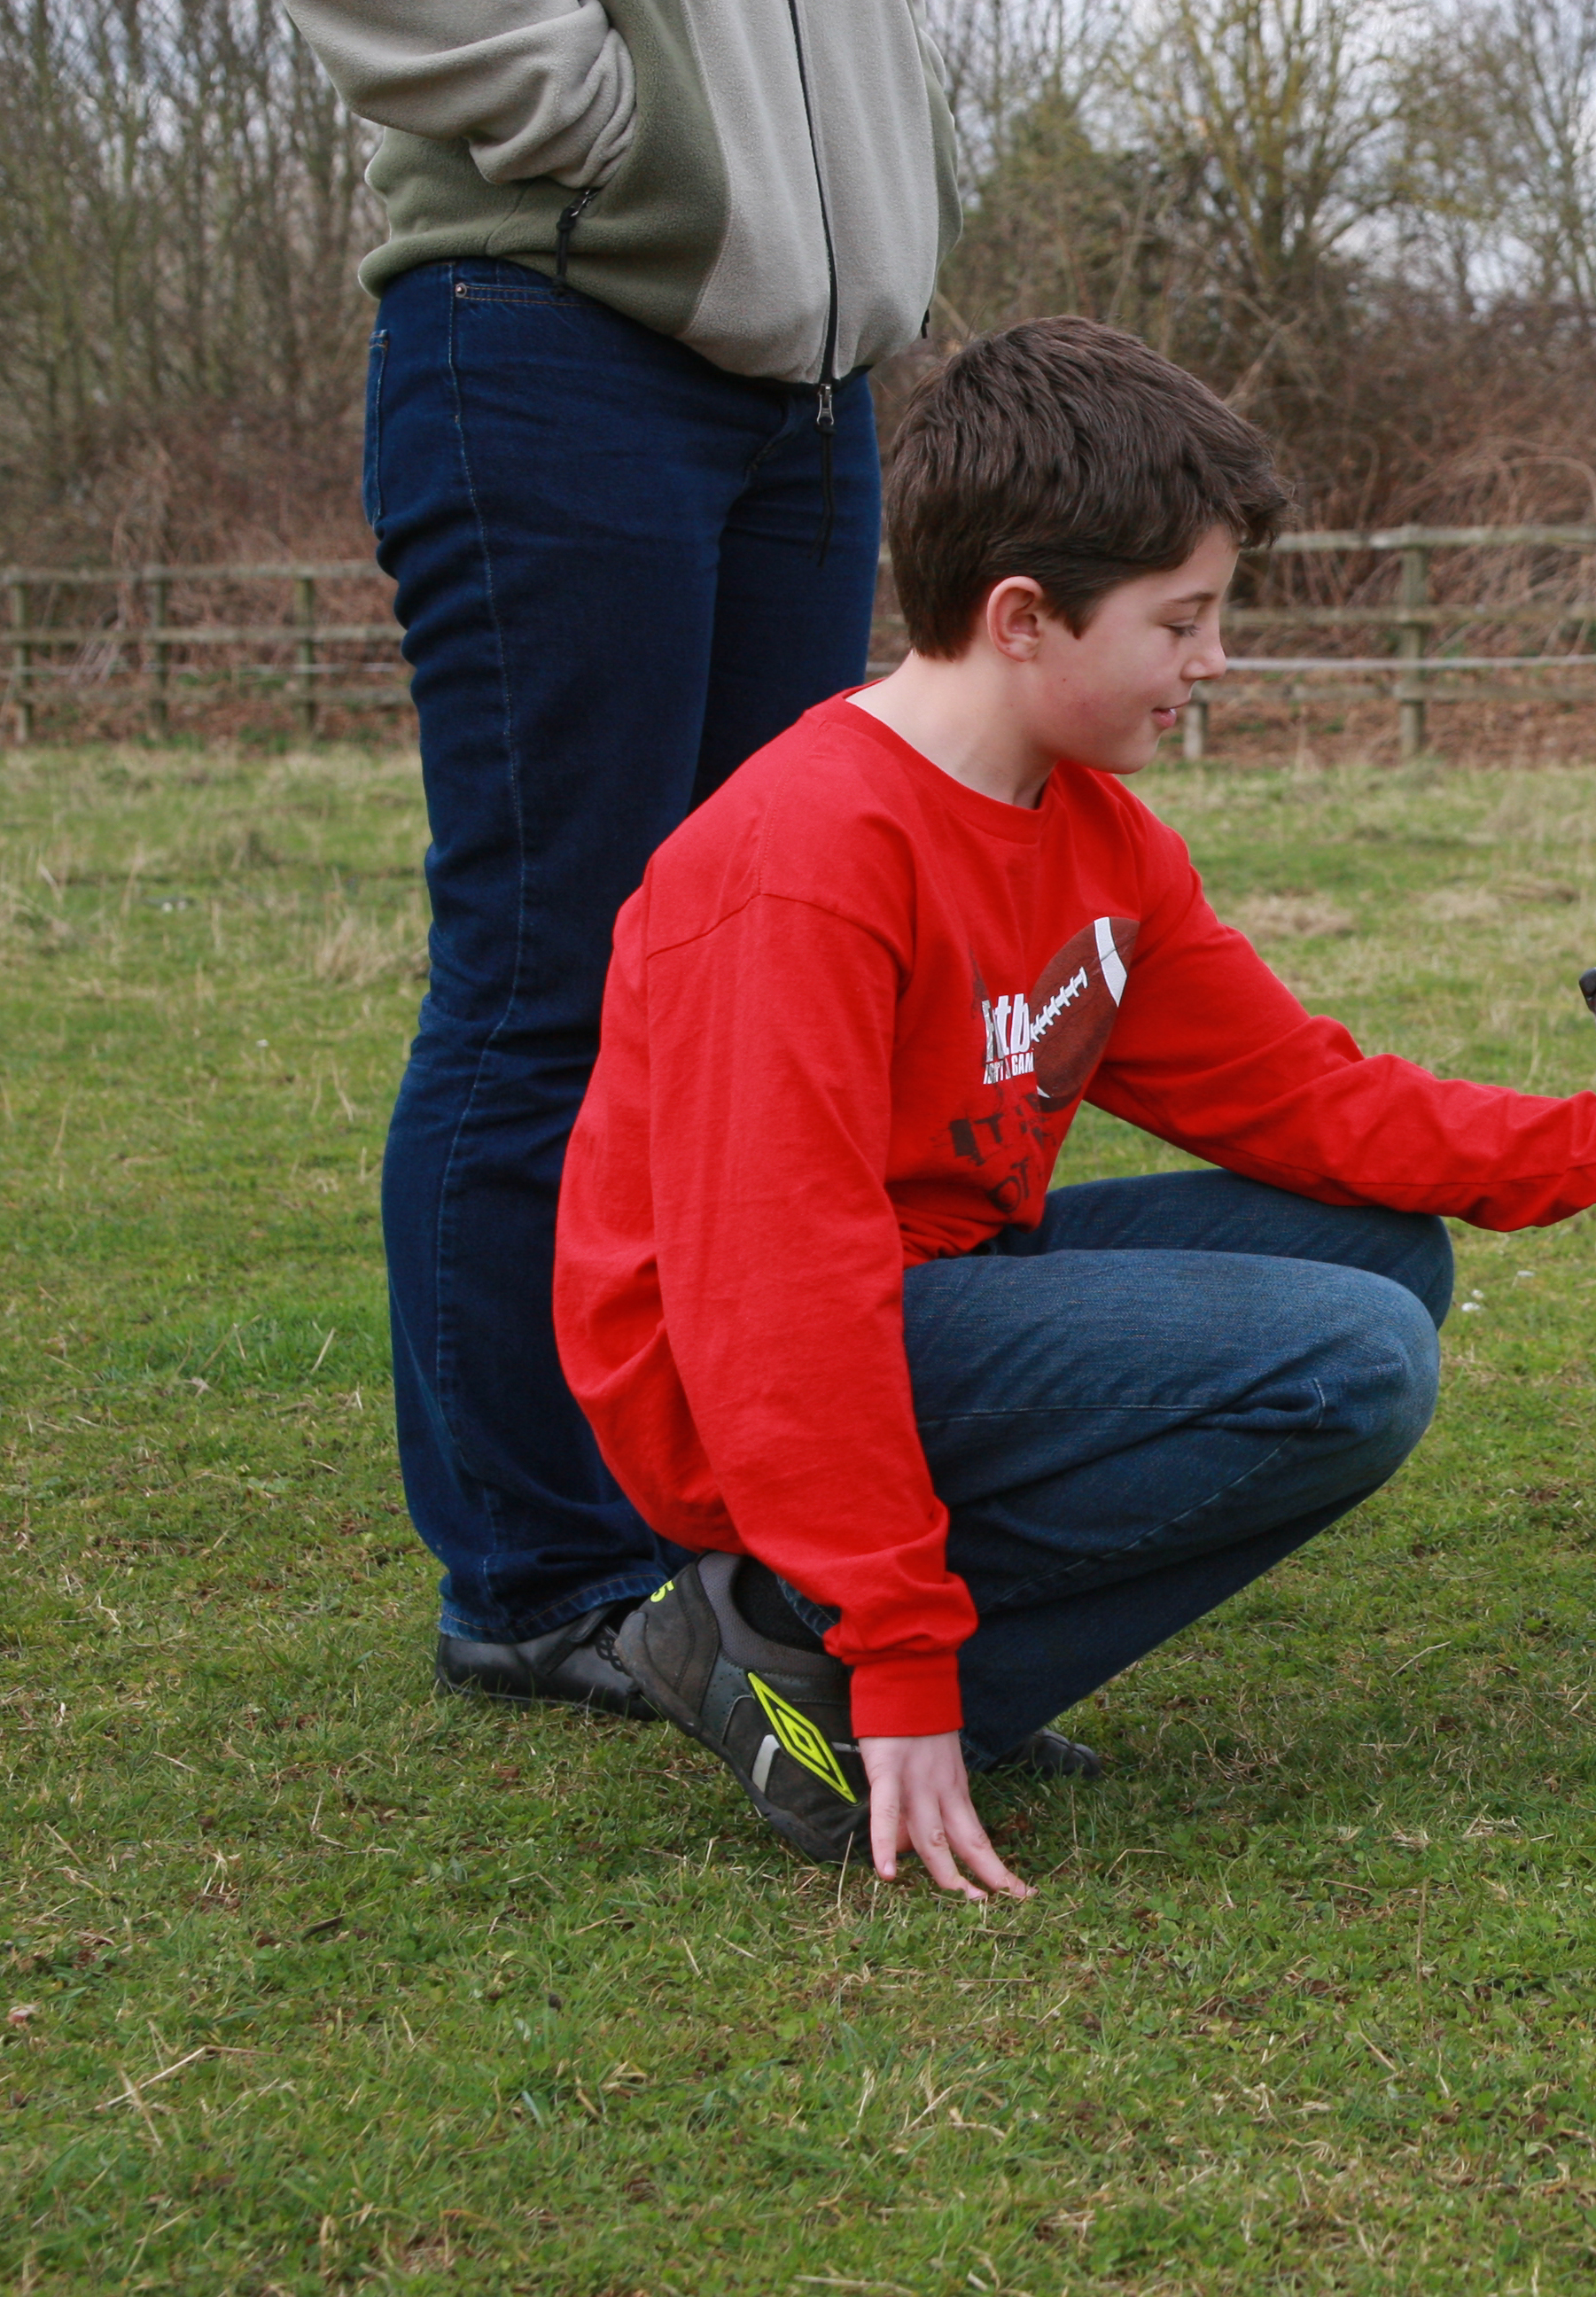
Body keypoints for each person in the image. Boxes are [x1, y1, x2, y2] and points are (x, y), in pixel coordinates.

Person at [562, 319, 1596, 1897]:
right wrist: (899, 1639)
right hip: (737, 1380)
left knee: (1381, 1257)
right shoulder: (803, 859)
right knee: (1351, 1359)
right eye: (1182, 621)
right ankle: (816, 1658)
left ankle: (868, 1673)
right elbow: (777, 1287)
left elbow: (1317, 1107)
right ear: (1023, 619)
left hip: (919, 1303)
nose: (1215, 662)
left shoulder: (1098, 837)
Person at [277, 1, 960, 1716]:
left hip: (808, 392)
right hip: (552, 333)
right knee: (548, 983)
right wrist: (627, 139)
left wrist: (873, 204)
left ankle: (713, 1517)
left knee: (749, 985)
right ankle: (535, 1578)